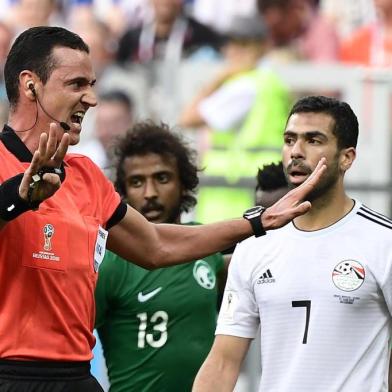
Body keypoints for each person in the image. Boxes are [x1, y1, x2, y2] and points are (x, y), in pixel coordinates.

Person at [0, 25, 325, 391]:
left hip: (75, 377)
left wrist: (258, 222)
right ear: (31, 85)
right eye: (77, 84)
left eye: (92, 85)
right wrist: (16, 198)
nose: (91, 99)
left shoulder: (85, 175)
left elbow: (156, 245)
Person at [193, 95, 392, 391]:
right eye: (289, 140)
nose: (296, 152)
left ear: (346, 157)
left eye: (313, 141)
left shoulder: (383, 241)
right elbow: (223, 360)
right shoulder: (255, 246)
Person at [95, 122, 225, 391]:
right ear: (123, 193)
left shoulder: (207, 248)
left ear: (183, 184)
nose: (150, 193)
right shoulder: (110, 261)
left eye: (162, 178)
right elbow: (70, 338)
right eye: (137, 182)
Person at [179, 16, 291, 223]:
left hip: (234, 195)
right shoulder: (271, 80)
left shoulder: (244, 86)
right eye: (231, 43)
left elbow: (188, 118)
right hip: (259, 186)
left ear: (260, 47)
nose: (233, 51)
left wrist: (219, 78)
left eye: (243, 44)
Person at [72, 89, 134, 179]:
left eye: (114, 124)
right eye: (102, 124)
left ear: (130, 121)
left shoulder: (144, 160)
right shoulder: (79, 161)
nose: (106, 133)